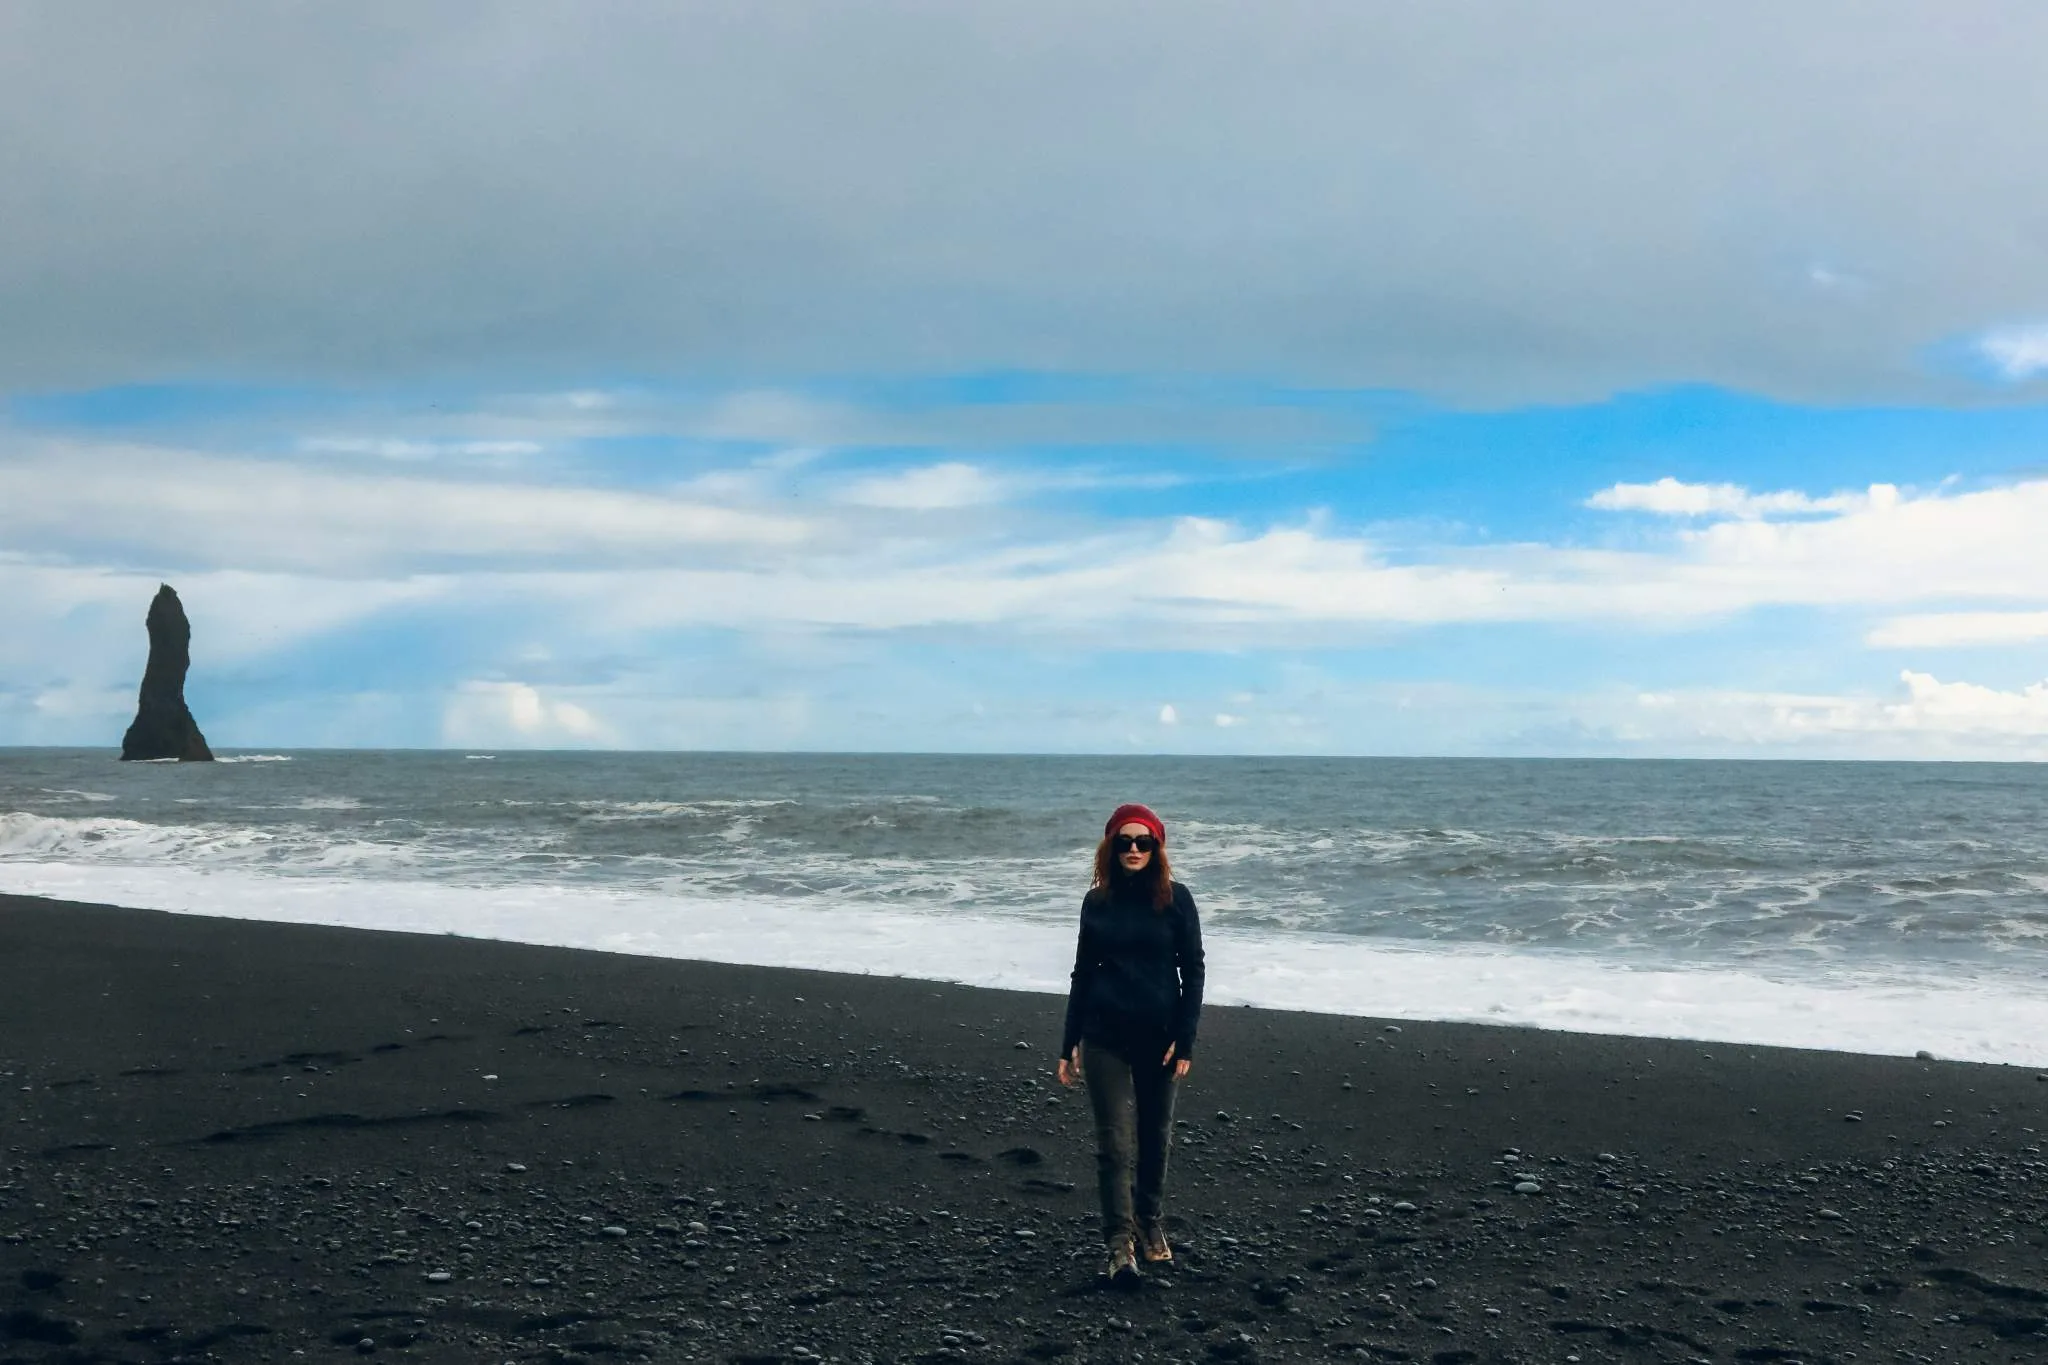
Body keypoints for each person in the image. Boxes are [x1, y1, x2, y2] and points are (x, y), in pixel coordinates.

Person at [1057, 802, 1206, 1283]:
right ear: (1111, 848)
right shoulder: (1095, 903)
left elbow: (1194, 968)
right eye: (1125, 842)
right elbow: (1082, 973)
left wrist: (1186, 1039)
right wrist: (1068, 1042)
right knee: (1114, 1145)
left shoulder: (1177, 900)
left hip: (1160, 1040)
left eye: (1144, 842)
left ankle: (1149, 1223)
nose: (1134, 849)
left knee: (1155, 1139)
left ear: (1157, 848)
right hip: (1104, 1038)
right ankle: (1119, 1243)